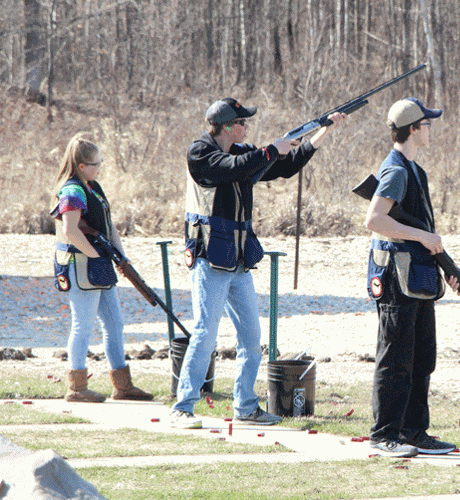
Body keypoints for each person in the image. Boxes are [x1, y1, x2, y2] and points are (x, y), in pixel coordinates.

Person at [170, 98, 345, 429]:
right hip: (211, 257)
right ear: (227, 126)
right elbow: (230, 168)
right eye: (241, 122)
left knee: (251, 338)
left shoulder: (241, 153)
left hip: (237, 258)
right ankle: (183, 407)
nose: (246, 127)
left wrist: (320, 133)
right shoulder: (201, 153)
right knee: (206, 334)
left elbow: (285, 165)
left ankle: (246, 406)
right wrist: (270, 150)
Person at [364, 97, 460, 457]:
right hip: (396, 278)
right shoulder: (395, 170)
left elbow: (415, 225)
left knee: (422, 358)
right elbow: (375, 220)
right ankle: (384, 435)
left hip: (417, 276)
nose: (430, 129)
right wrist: (424, 238)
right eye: (426, 124)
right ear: (412, 129)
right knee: (395, 359)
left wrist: (448, 269)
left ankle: (413, 431)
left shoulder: (414, 170)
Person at [50, 133, 153, 403]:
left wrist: (121, 257)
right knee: (82, 326)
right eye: (96, 163)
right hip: (81, 266)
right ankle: (76, 387)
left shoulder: (93, 186)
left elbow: (109, 227)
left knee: (114, 324)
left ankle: (123, 386)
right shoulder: (72, 190)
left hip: (99, 264)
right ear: (82, 166)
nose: (100, 167)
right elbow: (71, 230)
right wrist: (96, 254)